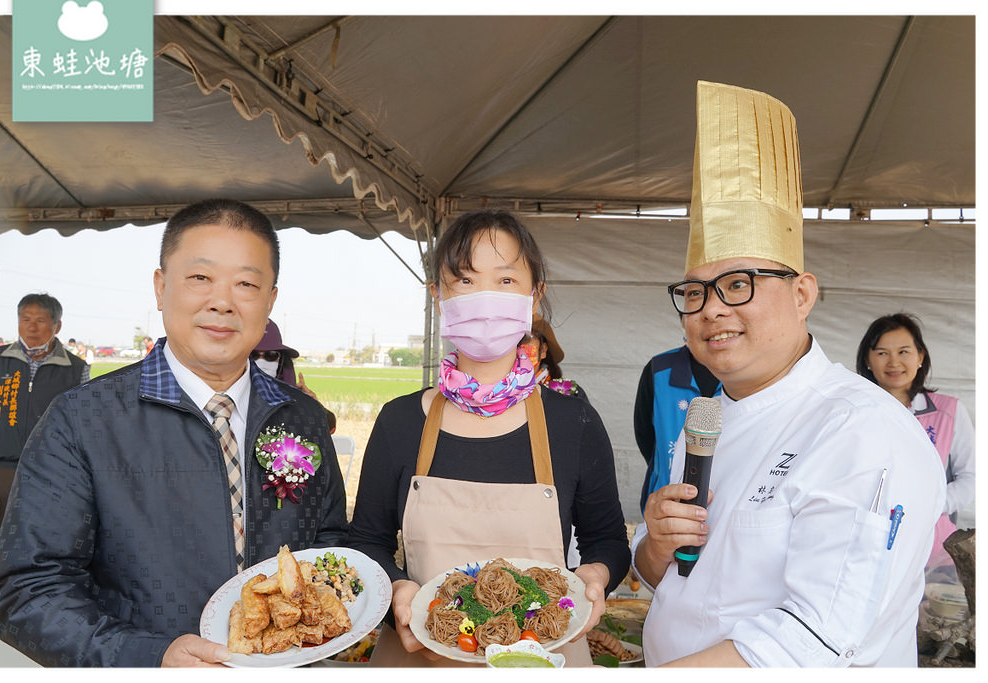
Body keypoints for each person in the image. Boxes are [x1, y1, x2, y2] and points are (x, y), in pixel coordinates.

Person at [630, 81, 944, 667]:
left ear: (803, 293)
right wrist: (655, 545)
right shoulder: (708, 417)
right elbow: (672, 581)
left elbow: (811, 641)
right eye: (694, 292)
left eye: (740, 284)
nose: (712, 309)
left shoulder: (862, 430)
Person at [0, 199, 349, 667]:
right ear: (161, 288)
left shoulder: (301, 417)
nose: (222, 301)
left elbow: (331, 542)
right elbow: (27, 590)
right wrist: (150, 657)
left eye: (246, 283)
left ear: (270, 301)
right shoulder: (82, 420)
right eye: (200, 278)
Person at [347, 210, 630, 666]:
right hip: (421, 654)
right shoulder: (400, 421)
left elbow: (608, 540)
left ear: (533, 296)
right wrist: (398, 587)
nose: (483, 298)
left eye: (504, 281)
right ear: (438, 295)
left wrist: (595, 576)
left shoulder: (572, 421)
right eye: (464, 281)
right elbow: (366, 540)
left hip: (547, 657)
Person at [0, 293, 89, 594]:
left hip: (51, 472)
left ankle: (32, 598)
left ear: (57, 325)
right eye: (25, 319)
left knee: (42, 537)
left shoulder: (77, 369)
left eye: (40, 320)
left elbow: (84, 427)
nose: (31, 327)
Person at [856, 313, 975, 573]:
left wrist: (931, 505)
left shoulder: (948, 410)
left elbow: (972, 477)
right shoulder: (854, 412)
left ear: (920, 356)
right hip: (867, 545)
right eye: (882, 353)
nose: (894, 362)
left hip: (933, 549)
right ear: (867, 359)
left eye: (904, 351)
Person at [633, 345, 719, 512]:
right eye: (693, 316)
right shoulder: (658, 369)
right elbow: (645, 434)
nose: (710, 317)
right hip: (665, 504)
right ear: (682, 321)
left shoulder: (746, 373)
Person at [253, 318, 337, 433]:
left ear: (281, 360)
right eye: (253, 355)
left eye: (271, 355)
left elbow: (329, 427)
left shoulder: (291, 397)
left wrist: (313, 407)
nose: (261, 362)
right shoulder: (228, 397)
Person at [518, 313, 589, 401]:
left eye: (525, 338)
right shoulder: (497, 392)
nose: (516, 348)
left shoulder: (570, 394)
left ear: (543, 350)